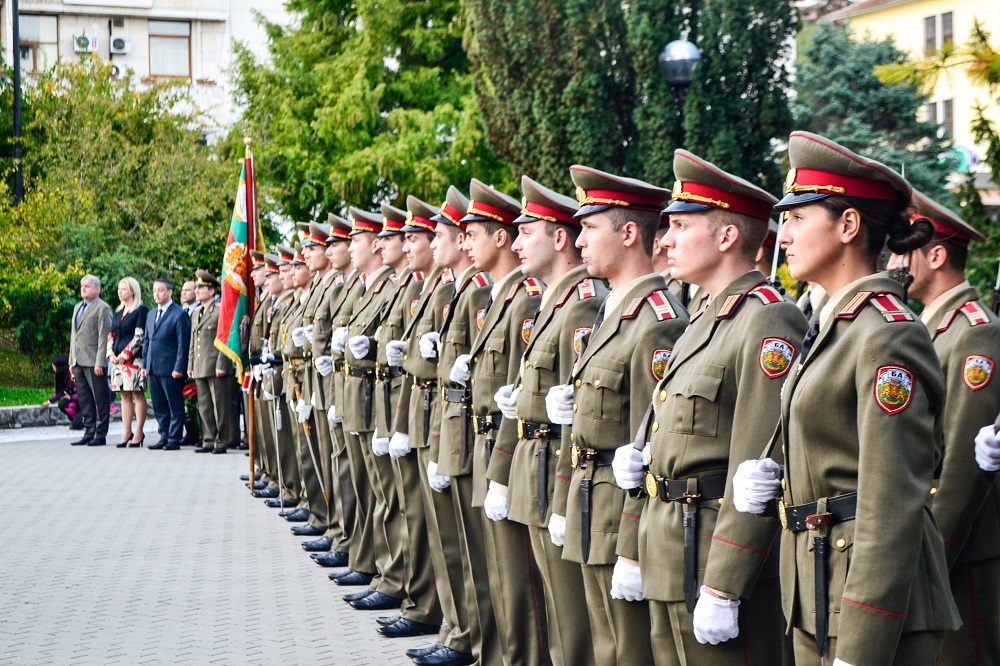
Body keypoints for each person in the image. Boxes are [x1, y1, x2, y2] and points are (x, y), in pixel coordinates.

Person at [734, 131, 960, 665]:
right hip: (819, 591)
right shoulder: (836, 324)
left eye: (796, 218)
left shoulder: (886, 333)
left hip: (870, 610)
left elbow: (891, 503)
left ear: (848, 225)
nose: (782, 234)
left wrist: (861, 646)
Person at [613, 150, 807, 665]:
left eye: (679, 226)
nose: (665, 240)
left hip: (711, 555)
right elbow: (660, 437)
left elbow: (756, 462)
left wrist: (723, 586)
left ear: (726, 237)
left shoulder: (767, 320)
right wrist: (632, 542)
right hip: (669, 547)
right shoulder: (702, 319)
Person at [548, 165, 688, 666]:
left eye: (589, 228)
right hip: (590, 500)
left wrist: (630, 543)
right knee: (604, 643)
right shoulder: (613, 311)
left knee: (627, 650)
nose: (578, 240)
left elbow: (649, 444)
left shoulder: (656, 321)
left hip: (619, 511)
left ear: (629, 233)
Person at [499, 175, 609, 666]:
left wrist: (563, 493)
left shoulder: (581, 304)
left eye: (527, 232)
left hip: (557, 472)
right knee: (554, 611)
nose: (516, 242)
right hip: (536, 465)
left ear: (557, 238)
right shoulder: (553, 301)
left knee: (572, 621)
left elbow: (582, 416)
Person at [887, 191, 1000, 666]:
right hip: (930, 545)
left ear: (936, 255)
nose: (893, 261)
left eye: (904, 251)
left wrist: (936, 556)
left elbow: (964, 466)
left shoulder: (974, 332)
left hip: (961, 550)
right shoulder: (931, 327)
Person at [187, 270, 234, 454]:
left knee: (219, 405)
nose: (197, 291)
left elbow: (225, 338)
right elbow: (193, 341)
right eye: (197, 287)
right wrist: (190, 365)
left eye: (201, 288)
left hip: (215, 364)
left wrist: (222, 363)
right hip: (200, 364)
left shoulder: (220, 310)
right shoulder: (197, 312)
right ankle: (208, 438)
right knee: (204, 405)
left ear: (212, 291)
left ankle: (222, 440)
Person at [142, 277, 192, 450]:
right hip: (154, 367)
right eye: (154, 290)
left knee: (174, 404)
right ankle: (164, 434)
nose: (156, 294)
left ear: (169, 292)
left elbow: (182, 344)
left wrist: (179, 367)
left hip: (171, 368)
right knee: (159, 405)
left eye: (160, 290)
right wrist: (144, 365)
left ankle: (174, 437)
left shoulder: (179, 314)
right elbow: (147, 341)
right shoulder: (151, 314)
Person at [69, 274, 113, 447]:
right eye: (82, 286)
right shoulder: (78, 307)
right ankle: (88, 432)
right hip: (78, 361)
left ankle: (101, 434)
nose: (83, 289)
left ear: (97, 289)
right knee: (85, 398)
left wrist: (100, 362)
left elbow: (104, 337)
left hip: (94, 361)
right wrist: (72, 360)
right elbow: (74, 336)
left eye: (87, 286)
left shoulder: (103, 308)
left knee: (100, 399)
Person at [107, 277, 150, 448]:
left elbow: (139, 336)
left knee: (137, 394)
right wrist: (110, 354)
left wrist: (124, 355)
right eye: (119, 288)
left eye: (123, 288)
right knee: (124, 396)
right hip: (117, 361)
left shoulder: (141, 310)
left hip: (134, 360)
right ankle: (126, 431)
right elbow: (111, 335)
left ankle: (138, 432)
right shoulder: (118, 312)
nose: (120, 291)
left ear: (132, 291)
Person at [41, 353, 80, 426]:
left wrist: (71, 397)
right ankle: (75, 419)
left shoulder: (73, 376)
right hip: (75, 400)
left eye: (53, 366)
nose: (53, 368)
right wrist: (49, 401)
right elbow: (60, 393)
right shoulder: (62, 377)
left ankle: (82, 419)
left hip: (84, 402)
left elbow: (83, 392)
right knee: (62, 404)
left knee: (77, 424)